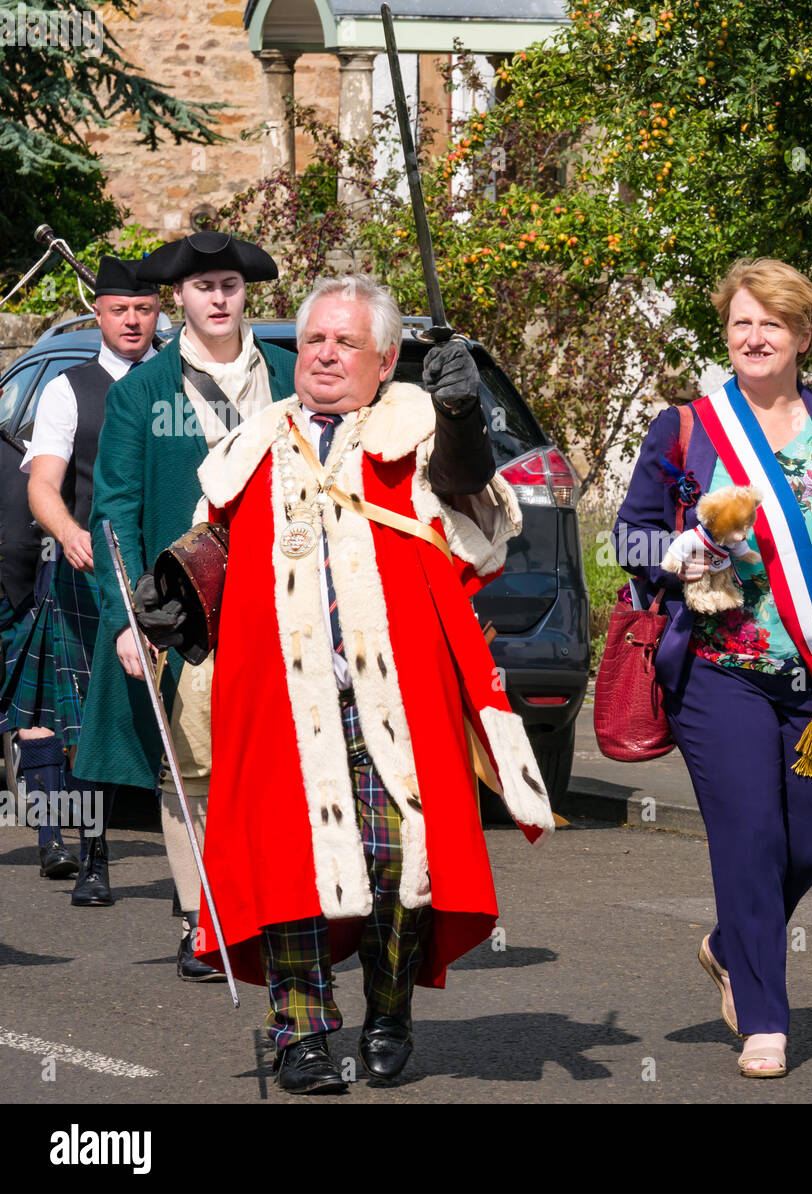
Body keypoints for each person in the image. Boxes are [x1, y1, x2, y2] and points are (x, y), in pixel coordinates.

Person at [138, 275, 553, 1094]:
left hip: (395, 700)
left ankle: (389, 1008)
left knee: (403, 867)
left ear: (387, 358)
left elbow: (476, 507)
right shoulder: (254, 440)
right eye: (315, 341)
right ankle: (301, 1036)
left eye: (346, 342)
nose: (325, 355)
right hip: (282, 698)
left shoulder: (416, 431)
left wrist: (464, 411)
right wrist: (176, 595)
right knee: (288, 872)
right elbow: (216, 544)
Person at [615, 258, 812, 1077]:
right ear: (726, 334)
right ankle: (764, 1017)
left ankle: (731, 943)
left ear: (802, 335)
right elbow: (631, 538)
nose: (754, 338)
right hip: (720, 669)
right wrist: (680, 551)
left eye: (772, 324)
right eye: (740, 324)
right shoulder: (688, 425)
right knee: (750, 838)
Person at [75, 232, 296, 976]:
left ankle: (269, 907)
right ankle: (203, 917)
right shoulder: (143, 391)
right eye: (205, 288)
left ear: (245, 293)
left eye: (230, 285)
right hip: (185, 609)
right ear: (182, 299)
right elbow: (114, 512)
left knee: (274, 762)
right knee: (192, 766)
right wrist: (128, 620)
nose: (219, 299)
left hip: (280, 599)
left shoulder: (292, 377)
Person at [3, 256, 160, 903]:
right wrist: (69, 531)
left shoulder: (178, 385)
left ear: (158, 313)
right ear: (97, 312)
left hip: (167, 572)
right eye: (119, 308)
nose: (131, 319)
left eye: (143, 309)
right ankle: (88, 853)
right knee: (85, 722)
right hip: (88, 575)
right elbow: (42, 481)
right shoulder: (69, 388)